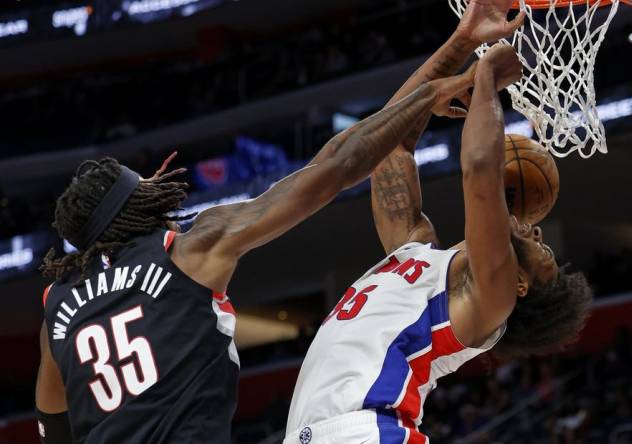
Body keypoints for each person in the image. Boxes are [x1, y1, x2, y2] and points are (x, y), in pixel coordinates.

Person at [34, 66, 475, 443]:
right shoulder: (188, 250)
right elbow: (335, 167)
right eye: (147, 189)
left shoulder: (57, 307)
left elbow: (52, 426)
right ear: (136, 207)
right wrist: (428, 96)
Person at [285, 2, 592, 441]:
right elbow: (389, 145)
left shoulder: (491, 299)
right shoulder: (415, 248)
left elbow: (481, 172)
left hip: (370, 429)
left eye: (547, 256)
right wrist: (461, 43)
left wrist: (484, 80)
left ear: (520, 284)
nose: (539, 232)